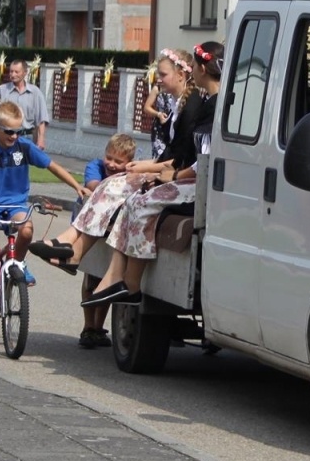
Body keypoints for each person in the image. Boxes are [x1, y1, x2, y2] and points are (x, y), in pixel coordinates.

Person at [31, 49, 198, 272]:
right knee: (111, 182)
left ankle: (80, 252)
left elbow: (180, 160)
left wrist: (147, 167)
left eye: (163, 74)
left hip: (178, 179)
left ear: (181, 74)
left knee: (118, 186)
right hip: (167, 171)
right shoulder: (179, 105)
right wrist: (146, 165)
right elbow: (171, 156)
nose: (158, 79)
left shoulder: (191, 107)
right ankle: (70, 243)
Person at [83, 42, 223, 307]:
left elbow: (205, 161)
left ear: (202, 68)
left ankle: (131, 284)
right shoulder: (209, 103)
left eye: (193, 66)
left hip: (201, 185)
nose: (192, 70)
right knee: (136, 197)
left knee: (141, 201)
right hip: (191, 176)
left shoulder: (213, 105)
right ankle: (117, 275)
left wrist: (172, 175)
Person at [0, 100, 85, 319]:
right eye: (9, 131)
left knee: (27, 229)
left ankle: (18, 263)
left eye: (18, 131)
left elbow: (53, 166)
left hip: (16, 205)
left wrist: (76, 186)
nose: (14, 136)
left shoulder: (24, 147)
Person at [75, 133, 137, 348]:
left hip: (113, 231)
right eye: (108, 157)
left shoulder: (131, 174)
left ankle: (98, 328)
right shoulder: (95, 167)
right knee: (91, 278)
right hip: (91, 229)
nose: (111, 164)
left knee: (105, 281)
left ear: (129, 163)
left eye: (118, 161)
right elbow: (95, 186)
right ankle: (88, 326)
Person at [0, 59, 50, 149]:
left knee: (25, 163)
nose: (13, 75)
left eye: (16, 72)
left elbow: (41, 118)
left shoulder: (35, 92)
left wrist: (41, 138)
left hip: (27, 137)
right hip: (7, 137)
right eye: (11, 71)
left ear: (25, 72)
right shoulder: (1, 91)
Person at [144, 49, 186, 159]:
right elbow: (147, 107)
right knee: (159, 156)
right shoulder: (158, 89)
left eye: (163, 74)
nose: (159, 79)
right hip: (160, 127)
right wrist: (158, 114)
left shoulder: (184, 102)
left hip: (171, 122)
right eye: (159, 74)